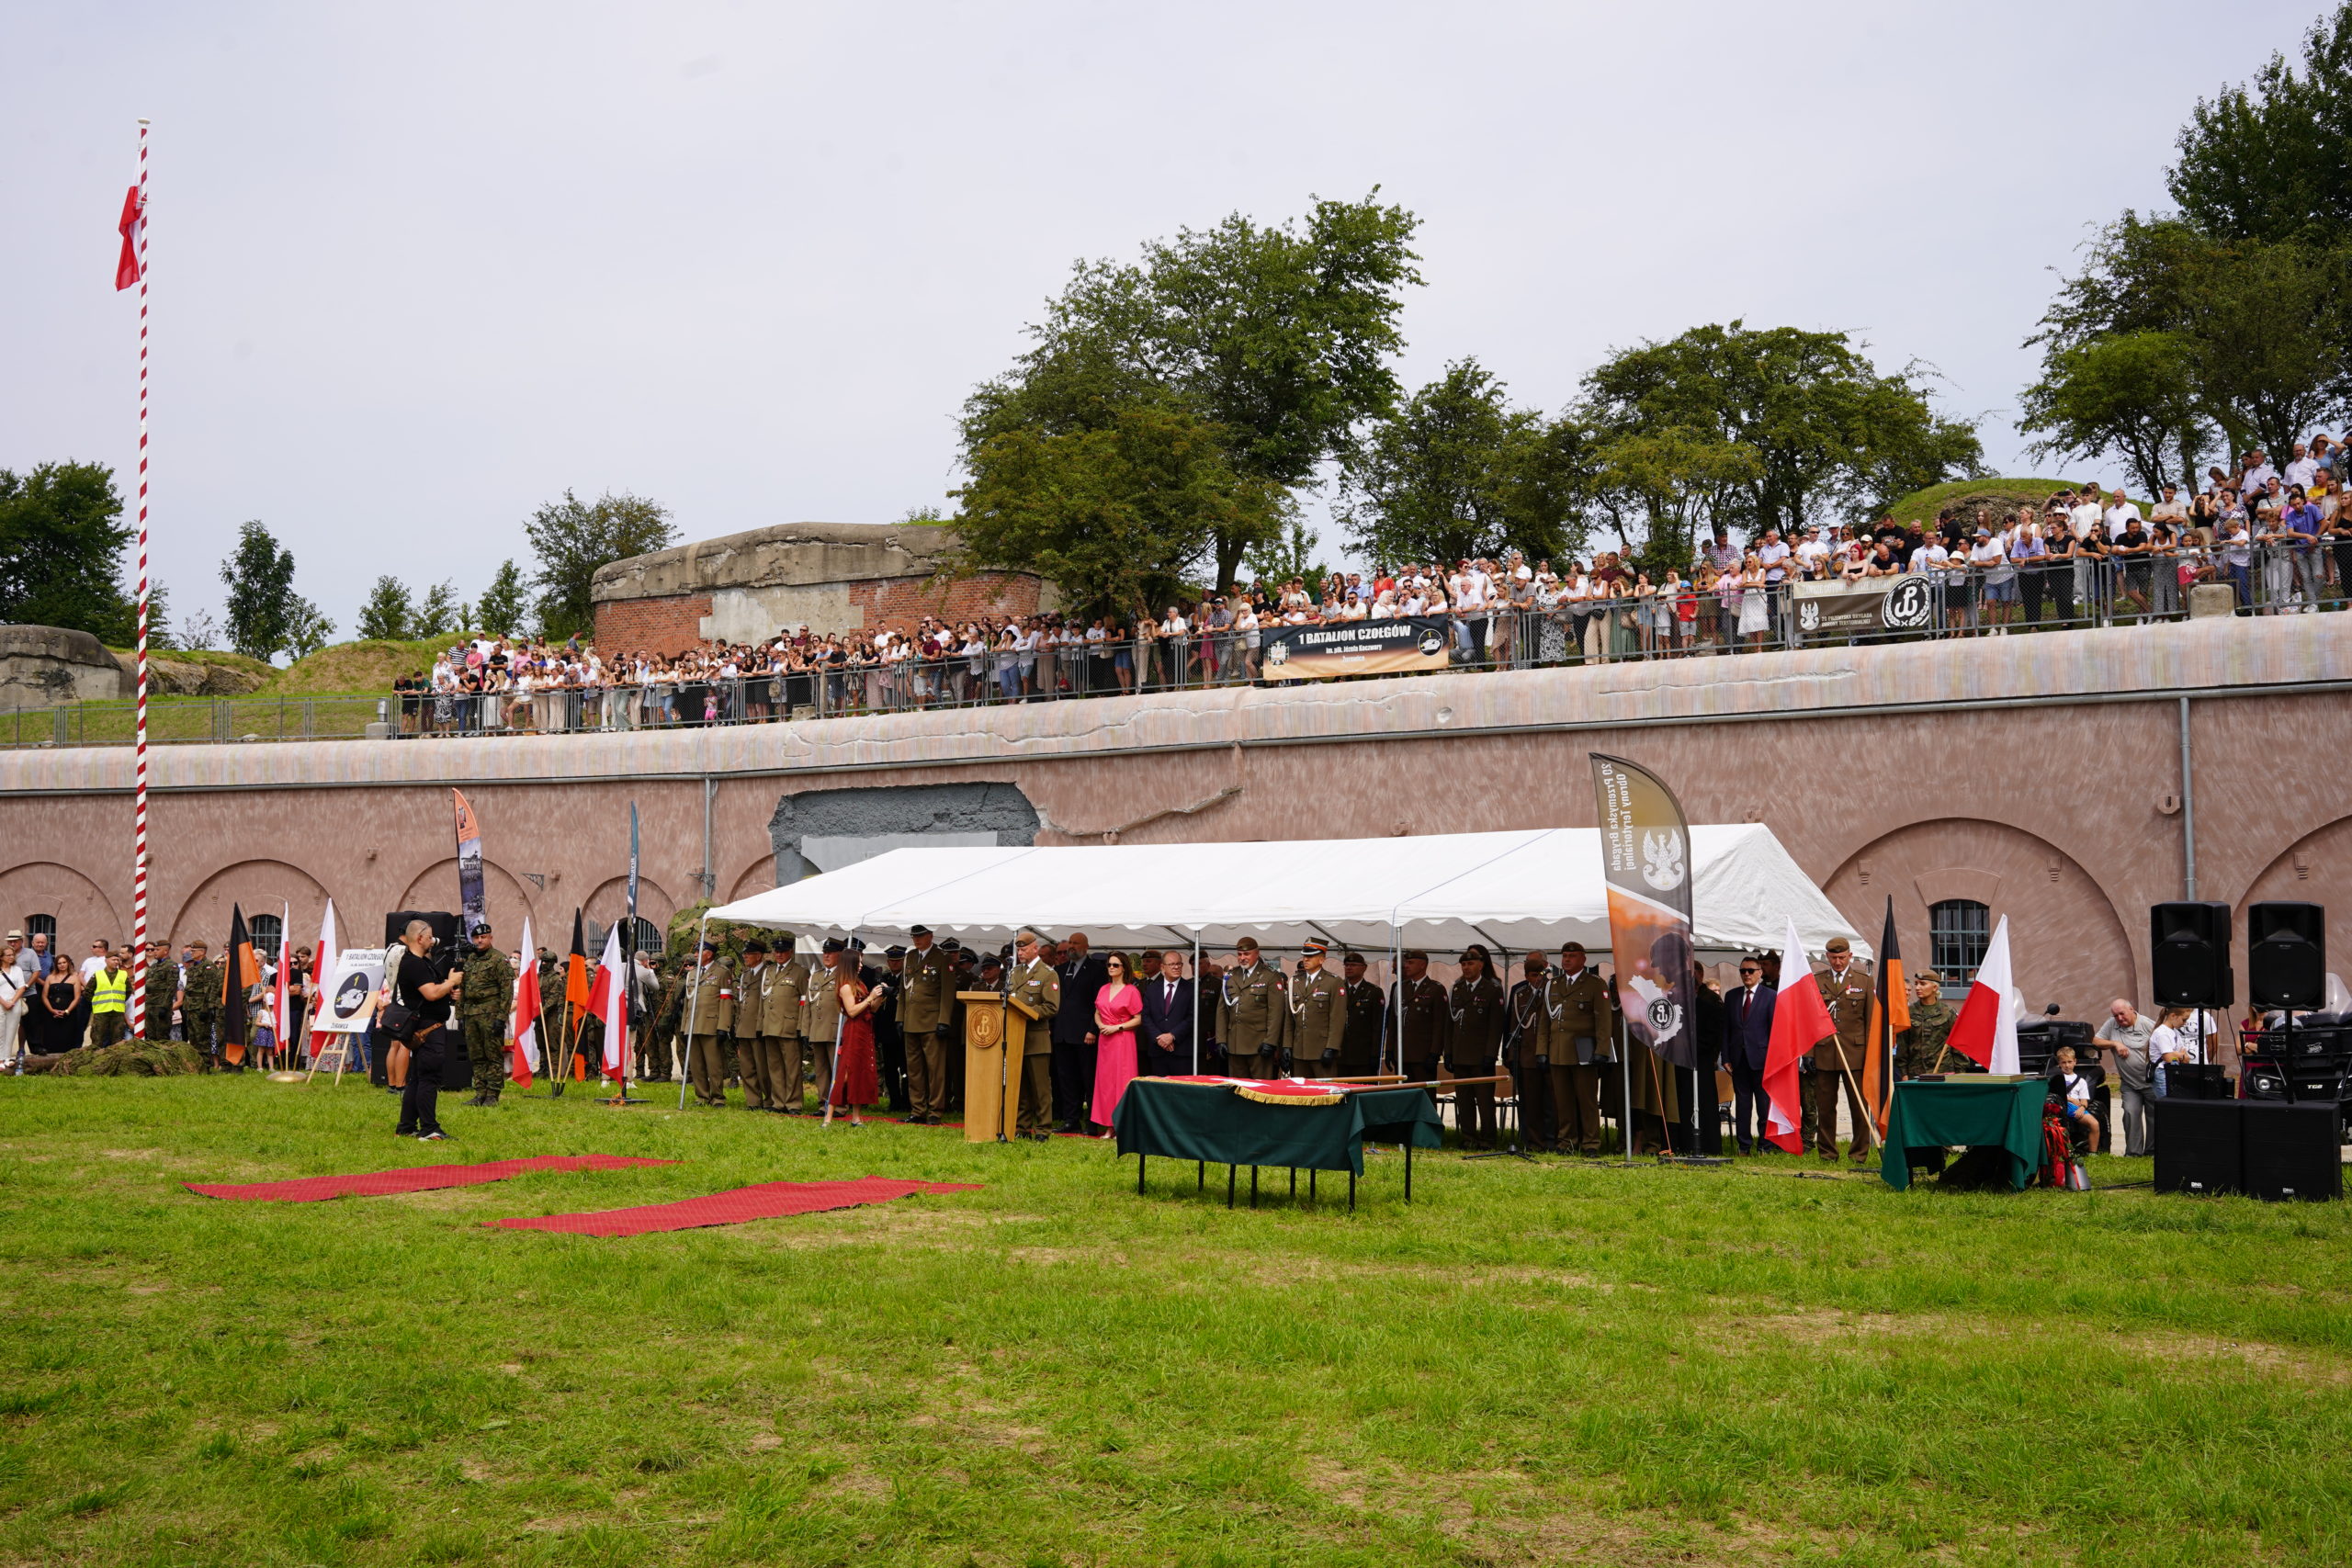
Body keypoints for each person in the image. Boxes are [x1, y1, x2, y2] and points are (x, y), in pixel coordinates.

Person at [391, 918, 464, 1141]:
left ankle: (406, 1126)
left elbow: (434, 991)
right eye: (430, 937)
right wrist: (450, 982)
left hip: (427, 1027)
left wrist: (449, 991)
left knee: (418, 1078)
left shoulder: (422, 962)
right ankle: (429, 1128)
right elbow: (431, 993)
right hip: (428, 1029)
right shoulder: (414, 963)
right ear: (420, 937)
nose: (433, 941)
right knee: (429, 1079)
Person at [1542, 942, 1614, 1155]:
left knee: (1587, 1101)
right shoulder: (1553, 984)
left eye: (1572, 956)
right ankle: (1567, 1142)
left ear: (1583, 959)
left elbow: (1604, 1020)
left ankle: (1591, 1143)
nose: (1566, 960)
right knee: (1563, 1102)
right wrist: (1541, 1051)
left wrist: (1602, 1050)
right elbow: (1545, 1021)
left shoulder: (1595, 984)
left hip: (1584, 1052)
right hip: (1558, 1051)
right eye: (1564, 956)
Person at [1808, 936, 1875, 1165]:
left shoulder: (1864, 981)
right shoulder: (1817, 980)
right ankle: (1827, 1153)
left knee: (1859, 1106)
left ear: (1850, 956)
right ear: (1827, 957)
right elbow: (1809, 1020)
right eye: (1834, 958)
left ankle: (1859, 1154)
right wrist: (1808, 1054)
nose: (1838, 962)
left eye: (1842, 957)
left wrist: (1871, 1054)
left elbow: (1870, 1020)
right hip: (1825, 1051)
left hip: (1855, 1053)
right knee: (1825, 1107)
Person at [1446, 946, 1506, 1148]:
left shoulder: (1491, 989)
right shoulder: (1457, 989)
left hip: (1481, 1056)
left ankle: (1488, 1138)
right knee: (1464, 1100)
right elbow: (1450, 1023)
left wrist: (1491, 1054)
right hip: (1460, 1054)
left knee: (1485, 1100)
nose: (1466, 968)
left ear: (1481, 965)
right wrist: (1449, 1053)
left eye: (1470, 963)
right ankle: (1468, 1137)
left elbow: (1496, 1025)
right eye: (1463, 964)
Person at [1051, 931, 1110, 1133]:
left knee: (1088, 1079)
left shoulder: (1096, 971)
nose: (1071, 946)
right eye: (1070, 943)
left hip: (1086, 1035)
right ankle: (1071, 1120)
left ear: (1086, 947)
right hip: (1062, 1034)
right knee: (1067, 1080)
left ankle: (1092, 1121)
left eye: (1076, 943)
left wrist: (1093, 1030)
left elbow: (1099, 1004)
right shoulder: (1060, 970)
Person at [1006, 929, 1061, 1141]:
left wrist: (1026, 1012)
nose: (1020, 953)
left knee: (1040, 1088)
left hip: (1036, 1038)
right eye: (1018, 950)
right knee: (1021, 1087)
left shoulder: (1047, 974)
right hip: (1016, 1036)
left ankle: (1043, 1129)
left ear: (1035, 949)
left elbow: (1051, 1007)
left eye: (1024, 949)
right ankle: (1022, 1127)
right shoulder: (1014, 973)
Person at [898, 926, 954, 1123]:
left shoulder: (942, 958)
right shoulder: (910, 957)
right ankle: (918, 1110)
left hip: (932, 1021)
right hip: (911, 1020)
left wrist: (944, 1020)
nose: (916, 939)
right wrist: (899, 1018)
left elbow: (948, 992)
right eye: (914, 936)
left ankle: (935, 1110)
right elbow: (903, 990)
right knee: (914, 1069)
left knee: (935, 1070)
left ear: (931, 935)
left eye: (920, 936)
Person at [1722, 955, 1775, 1153]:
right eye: (1742, 971)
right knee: (1743, 1106)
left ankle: (1765, 1146)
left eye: (1750, 971)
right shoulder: (1732, 996)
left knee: (1763, 1105)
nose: (1746, 974)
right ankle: (1744, 1146)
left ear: (1760, 973)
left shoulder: (1770, 996)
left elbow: (1774, 1030)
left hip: (1762, 1060)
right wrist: (1726, 1057)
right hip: (1738, 1059)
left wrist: (1773, 1059)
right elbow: (1726, 1029)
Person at [457, 922, 514, 1107]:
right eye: (476, 937)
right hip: (471, 1014)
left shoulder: (499, 959)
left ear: (490, 938)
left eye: (483, 937)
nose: (480, 940)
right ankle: (480, 1093)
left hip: (490, 1013)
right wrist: (460, 1015)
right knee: (476, 1055)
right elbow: (463, 988)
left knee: (493, 1055)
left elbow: (507, 991)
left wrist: (501, 1017)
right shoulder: (471, 960)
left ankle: (492, 1095)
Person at [1216, 938, 1286, 1080]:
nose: (1242, 958)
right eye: (1239, 954)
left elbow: (1276, 1013)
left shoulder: (1270, 976)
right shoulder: (1231, 976)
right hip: (1235, 1043)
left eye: (1246, 954)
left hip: (1259, 1044)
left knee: (1260, 1088)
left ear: (1257, 953)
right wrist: (1221, 1040)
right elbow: (1222, 1011)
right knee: (1237, 1087)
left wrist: (1271, 1041)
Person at [2095, 998, 2156, 1158]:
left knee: (2154, 1117)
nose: (2119, 1018)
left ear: (2132, 1009)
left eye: (2122, 1014)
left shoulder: (2147, 1024)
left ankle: (2152, 1152)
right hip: (2130, 1084)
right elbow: (2096, 1041)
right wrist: (2114, 1043)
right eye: (2116, 1015)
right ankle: (2133, 1153)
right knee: (2130, 1113)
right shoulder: (2112, 1024)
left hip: (2151, 1082)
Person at [1088, 953, 1142, 1134]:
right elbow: (1097, 1012)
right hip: (1105, 1039)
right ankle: (1108, 1126)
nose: (1111, 968)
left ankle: (1122, 1126)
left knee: (1122, 1081)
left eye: (1116, 965)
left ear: (1124, 968)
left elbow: (1138, 1019)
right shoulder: (1103, 989)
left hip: (1123, 1039)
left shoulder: (1131, 991)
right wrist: (1100, 1025)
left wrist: (1117, 1027)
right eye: (1109, 965)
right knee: (1105, 1083)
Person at [827, 961, 884, 1126]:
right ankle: (828, 1117)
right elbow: (851, 1011)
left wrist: (880, 996)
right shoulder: (845, 986)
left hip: (865, 1030)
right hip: (853, 1031)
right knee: (845, 1074)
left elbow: (871, 1009)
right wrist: (870, 998)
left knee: (860, 1072)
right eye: (858, 962)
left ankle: (856, 1118)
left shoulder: (860, 984)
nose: (860, 965)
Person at [682, 939, 735, 1108]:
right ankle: (702, 1096)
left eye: (699, 952)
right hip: (693, 1024)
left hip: (711, 1025)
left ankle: (717, 1096)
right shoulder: (692, 974)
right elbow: (687, 1002)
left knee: (714, 1065)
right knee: (696, 1064)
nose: (695, 954)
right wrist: (684, 1027)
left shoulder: (721, 973)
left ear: (709, 954)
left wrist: (723, 1027)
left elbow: (726, 1001)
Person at [1284, 938, 1347, 1080]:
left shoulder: (1333, 982)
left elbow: (1337, 1018)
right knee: (1301, 1090)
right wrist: (1287, 1045)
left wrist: (1332, 1047)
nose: (1306, 959)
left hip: (1322, 1049)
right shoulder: (1295, 981)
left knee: (1325, 1089)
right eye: (1304, 956)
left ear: (1321, 959)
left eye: (1310, 956)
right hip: (1299, 1050)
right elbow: (1289, 1018)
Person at [1394, 950, 1449, 1103]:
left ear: (1422, 965)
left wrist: (1435, 1053)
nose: (1406, 966)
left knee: (1426, 1099)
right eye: (1406, 962)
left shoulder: (1435, 989)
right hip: (1402, 1054)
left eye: (1410, 962)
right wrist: (1391, 1049)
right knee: (1404, 1099)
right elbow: (1393, 1020)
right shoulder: (1400, 988)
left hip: (1423, 1055)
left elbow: (1440, 1024)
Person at [1139, 950, 1195, 1077]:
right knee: (1160, 1087)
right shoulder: (1152, 989)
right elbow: (1146, 1016)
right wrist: (1159, 1037)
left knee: (1181, 1087)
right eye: (1172, 964)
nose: (1176, 967)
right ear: (1162, 967)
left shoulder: (1191, 989)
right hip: (1158, 1051)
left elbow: (1192, 1017)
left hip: (1181, 1051)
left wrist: (1172, 1035)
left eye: (1179, 964)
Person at [1896, 970, 1957, 1079]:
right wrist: (1903, 1073)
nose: (1917, 988)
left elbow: (1957, 1046)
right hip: (1915, 1073)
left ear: (1935, 988)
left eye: (1923, 984)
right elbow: (1902, 1046)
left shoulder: (1948, 1013)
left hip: (1943, 1073)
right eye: (1916, 984)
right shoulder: (1908, 1012)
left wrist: (1960, 1073)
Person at [1338, 952, 1386, 1079]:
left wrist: (1376, 1053)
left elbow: (1378, 1026)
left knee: (1364, 1088)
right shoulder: (1338, 988)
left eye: (1353, 965)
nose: (1349, 968)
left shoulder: (1374, 992)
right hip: (1340, 1055)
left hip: (1363, 1055)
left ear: (1364, 968)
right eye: (1346, 965)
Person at [2049, 1043, 2102, 1154]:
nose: (2067, 1065)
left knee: (2094, 1124)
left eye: (2069, 1062)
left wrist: (2082, 1108)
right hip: (2061, 1105)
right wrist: (2070, 1099)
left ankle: (2093, 1153)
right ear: (2059, 1063)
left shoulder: (2081, 1081)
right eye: (2063, 1062)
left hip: (2075, 1108)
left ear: (2075, 1061)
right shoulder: (2056, 1078)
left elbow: (2084, 1101)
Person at [179, 940, 220, 1066]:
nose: (191, 953)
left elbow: (210, 989)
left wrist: (206, 1008)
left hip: (201, 1007)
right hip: (190, 1006)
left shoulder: (208, 967)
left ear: (202, 952)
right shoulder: (193, 966)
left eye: (193, 951)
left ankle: (205, 1064)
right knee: (193, 1037)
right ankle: (197, 1064)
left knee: (202, 1037)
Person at [86, 947, 130, 1051]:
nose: (116, 962)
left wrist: (118, 999)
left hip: (117, 1011)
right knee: (98, 1039)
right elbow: (88, 992)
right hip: (101, 1011)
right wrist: (96, 1002)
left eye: (117, 960)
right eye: (113, 959)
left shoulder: (123, 974)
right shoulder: (98, 975)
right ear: (106, 960)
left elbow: (128, 991)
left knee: (117, 1040)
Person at [0, 934, 24, 1070]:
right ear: (1, 957)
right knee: (0, 1031)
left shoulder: (17, 969)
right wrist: (4, 1002)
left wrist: (12, 1002)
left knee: (11, 1031)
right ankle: (0, 1059)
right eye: (8, 955)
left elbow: (21, 987)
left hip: (14, 1004)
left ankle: (7, 1057)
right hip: (1, 1003)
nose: (11, 957)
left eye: (12, 955)